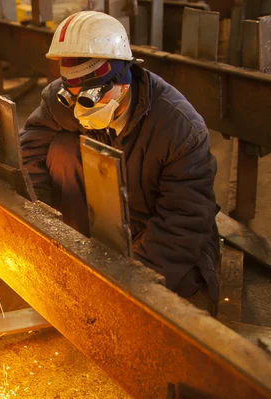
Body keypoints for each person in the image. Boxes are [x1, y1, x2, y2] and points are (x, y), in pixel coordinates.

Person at [20, 11, 220, 314]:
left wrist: (128, 284)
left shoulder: (180, 129)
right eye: (72, 97)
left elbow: (184, 219)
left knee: (174, 292)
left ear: (123, 82)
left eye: (89, 98)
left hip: (152, 227)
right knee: (59, 149)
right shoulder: (61, 102)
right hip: (102, 220)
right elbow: (30, 153)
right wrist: (42, 226)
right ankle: (81, 250)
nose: (79, 109)